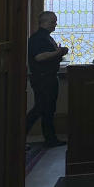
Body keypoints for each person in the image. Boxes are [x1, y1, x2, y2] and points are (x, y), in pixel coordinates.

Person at [26, 11, 68, 147]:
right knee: (40, 108)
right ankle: (19, 136)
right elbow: (39, 57)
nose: (55, 24)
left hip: (49, 77)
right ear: (44, 22)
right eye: (53, 22)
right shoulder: (37, 38)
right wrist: (58, 52)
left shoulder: (48, 38)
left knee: (48, 110)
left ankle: (50, 139)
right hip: (42, 79)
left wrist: (58, 54)